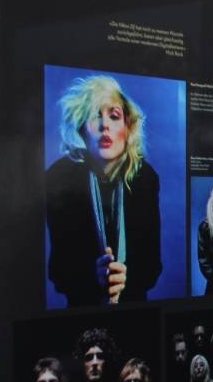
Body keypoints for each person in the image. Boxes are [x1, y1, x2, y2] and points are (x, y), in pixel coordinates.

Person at [45, 75, 162, 306]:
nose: (104, 125)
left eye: (114, 116)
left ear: (128, 127)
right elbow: (58, 271)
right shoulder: (58, 178)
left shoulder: (144, 178)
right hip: (82, 310)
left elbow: (152, 265)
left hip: (134, 309)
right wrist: (92, 276)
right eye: (94, 115)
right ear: (81, 129)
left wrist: (126, 277)